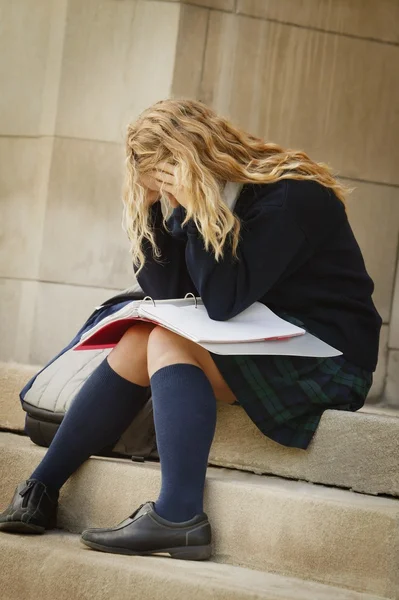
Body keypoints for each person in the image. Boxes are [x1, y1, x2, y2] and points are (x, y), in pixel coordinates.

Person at [0, 99, 381, 561]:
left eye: (167, 185)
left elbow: (221, 301)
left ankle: (179, 514)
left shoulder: (292, 195)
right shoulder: (204, 203)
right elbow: (170, 291)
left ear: (196, 160)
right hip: (263, 335)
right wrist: (153, 216)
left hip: (327, 353)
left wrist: (191, 209)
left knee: (166, 338)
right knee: (143, 334)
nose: (167, 197)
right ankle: (40, 488)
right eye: (157, 190)